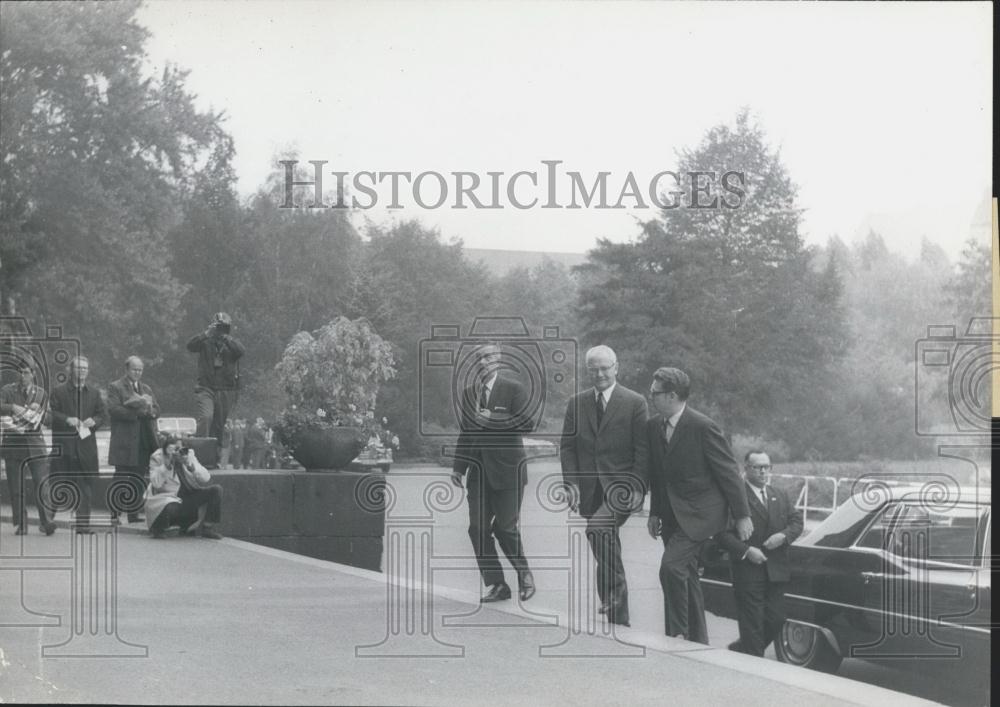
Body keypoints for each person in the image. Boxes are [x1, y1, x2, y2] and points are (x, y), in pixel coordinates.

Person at [645, 367, 752, 643]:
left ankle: (677, 634)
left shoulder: (703, 426)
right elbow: (659, 474)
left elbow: (728, 473)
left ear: (671, 395)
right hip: (671, 515)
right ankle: (697, 642)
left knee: (671, 567)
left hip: (702, 514)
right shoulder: (654, 426)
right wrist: (655, 512)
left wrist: (742, 516)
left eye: (654, 392)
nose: (650, 397)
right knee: (687, 575)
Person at [559, 345, 648, 626]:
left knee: (598, 530)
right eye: (593, 370)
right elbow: (568, 446)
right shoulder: (577, 402)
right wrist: (570, 482)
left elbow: (643, 450)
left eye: (604, 368)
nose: (599, 374)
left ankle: (615, 590)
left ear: (616, 367)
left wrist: (637, 488)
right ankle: (618, 621)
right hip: (589, 489)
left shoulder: (635, 402)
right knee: (606, 541)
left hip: (621, 488)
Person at [451, 342, 536, 603]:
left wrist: (495, 419)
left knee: (505, 528)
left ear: (498, 360)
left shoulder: (514, 389)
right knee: (476, 529)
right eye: (478, 359)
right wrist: (458, 467)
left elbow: (528, 424)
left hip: (508, 471)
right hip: (478, 473)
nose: (483, 362)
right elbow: (466, 432)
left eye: (488, 357)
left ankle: (524, 575)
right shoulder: (468, 393)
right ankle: (498, 583)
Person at [716, 451, 803, 657]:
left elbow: (797, 522)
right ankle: (754, 665)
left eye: (767, 466)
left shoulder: (779, 494)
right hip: (748, 570)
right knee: (752, 623)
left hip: (776, 570)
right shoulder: (735, 496)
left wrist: (783, 536)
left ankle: (743, 648)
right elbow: (721, 533)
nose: (763, 471)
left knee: (777, 618)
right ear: (745, 469)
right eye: (757, 467)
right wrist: (746, 551)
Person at [49, 356, 107, 533]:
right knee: (57, 486)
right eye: (79, 368)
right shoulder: (58, 391)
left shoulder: (95, 393)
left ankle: (83, 525)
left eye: (85, 369)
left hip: (85, 447)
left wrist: (94, 421)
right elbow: (51, 414)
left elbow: (102, 414)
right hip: (64, 446)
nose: (82, 371)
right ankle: (46, 521)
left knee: (85, 487)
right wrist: (66, 419)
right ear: (70, 370)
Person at [0, 361, 56, 535]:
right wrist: (13, 407)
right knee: (16, 487)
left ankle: (47, 522)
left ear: (33, 374)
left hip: (35, 445)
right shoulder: (7, 390)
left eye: (26, 373)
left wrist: (40, 411)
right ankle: (21, 523)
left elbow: (49, 419)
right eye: (20, 373)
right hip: (13, 444)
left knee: (42, 484)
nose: (22, 376)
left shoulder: (41, 394)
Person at [186, 312, 245, 463]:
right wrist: (207, 334)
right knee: (206, 417)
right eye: (219, 327)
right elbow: (190, 346)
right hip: (205, 387)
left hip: (225, 389)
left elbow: (241, 351)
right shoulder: (205, 341)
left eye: (224, 327)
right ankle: (197, 455)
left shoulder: (231, 344)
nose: (221, 330)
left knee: (219, 425)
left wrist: (227, 338)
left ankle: (214, 458)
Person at [107, 356, 159, 524]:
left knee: (138, 477)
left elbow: (157, 409)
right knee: (121, 477)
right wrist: (137, 411)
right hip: (124, 439)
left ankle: (133, 513)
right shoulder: (115, 387)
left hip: (143, 439)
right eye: (134, 369)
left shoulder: (146, 388)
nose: (137, 373)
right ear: (127, 369)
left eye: (140, 370)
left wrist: (150, 410)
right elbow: (114, 409)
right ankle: (115, 513)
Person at [144, 435, 224, 539]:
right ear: (165, 448)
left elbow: (206, 478)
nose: (178, 453)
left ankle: (207, 528)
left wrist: (190, 465)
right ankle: (159, 528)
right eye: (174, 449)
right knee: (168, 506)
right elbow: (156, 483)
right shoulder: (158, 457)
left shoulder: (188, 455)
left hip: (188, 499)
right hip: (170, 499)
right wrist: (167, 465)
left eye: (180, 449)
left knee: (216, 490)